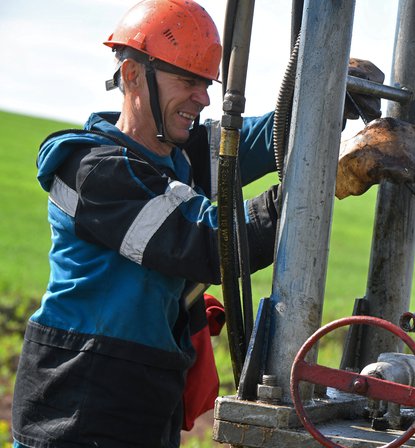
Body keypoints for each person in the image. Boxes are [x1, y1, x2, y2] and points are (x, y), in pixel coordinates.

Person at [11, 0, 383, 447]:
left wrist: (328, 94)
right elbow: (207, 241)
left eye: (205, 83)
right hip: (77, 407)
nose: (204, 97)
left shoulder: (174, 154)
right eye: (188, 80)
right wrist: (331, 175)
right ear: (132, 75)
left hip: (144, 402)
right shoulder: (95, 171)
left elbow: (266, 137)